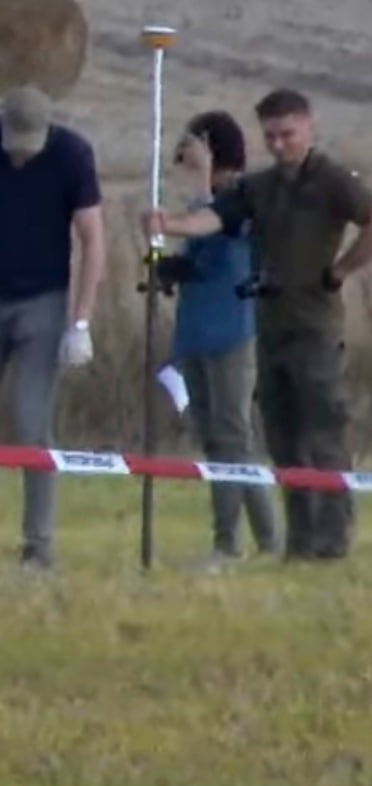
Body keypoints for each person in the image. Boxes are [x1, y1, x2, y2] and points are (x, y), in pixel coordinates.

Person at [143, 88, 372, 561]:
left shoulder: (332, 180)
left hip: (315, 328)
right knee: (282, 439)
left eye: (287, 134)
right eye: (270, 136)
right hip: (269, 327)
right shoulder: (260, 188)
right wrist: (170, 224)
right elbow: (216, 218)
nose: (280, 144)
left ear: (309, 127)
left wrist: (344, 269)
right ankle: (299, 541)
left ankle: (331, 542)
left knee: (321, 435)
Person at [0, 85, 106, 570]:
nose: (18, 154)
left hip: (43, 304)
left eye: (28, 145)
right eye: (13, 143)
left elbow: (92, 239)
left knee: (34, 426)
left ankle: (38, 547)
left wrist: (80, 321)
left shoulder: (72, 156)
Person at [157, 110, 279, 562]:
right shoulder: (203, 200)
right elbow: (202, 258)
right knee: (219, 440)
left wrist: (204, 179)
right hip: (197, 331)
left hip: (232, 332)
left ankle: (229, 544)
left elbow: (223, 235)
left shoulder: (242, 199)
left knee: (233, 438)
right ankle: (267, 541)